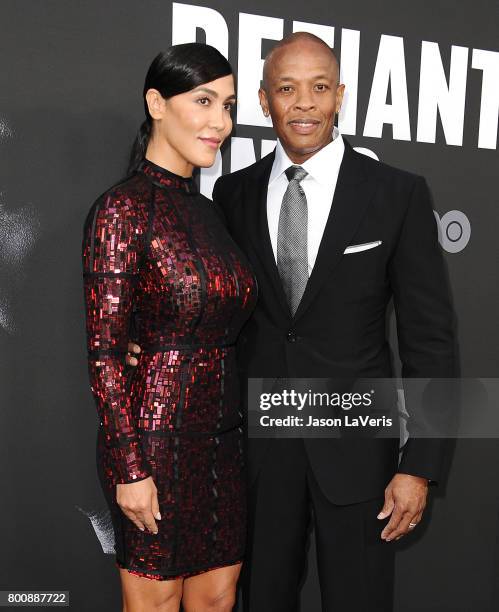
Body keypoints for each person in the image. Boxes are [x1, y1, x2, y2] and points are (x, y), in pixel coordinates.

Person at [127, 32, 459, 611]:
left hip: (358, 450)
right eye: (287, 89)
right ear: (263, 101)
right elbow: (207, 306)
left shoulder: (398, 194)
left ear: (340, 98)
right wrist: (145, 344)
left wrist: (422, 467)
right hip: (253, 454)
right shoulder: (229, 195)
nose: (303, 104)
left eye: (319, 88)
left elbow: (430, 339)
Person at [82, 43, 257, 612]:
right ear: (156, 103)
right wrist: (130, 468)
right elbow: (106, 353)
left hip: (223, 445)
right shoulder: (122, 209)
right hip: (152, 444)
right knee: (154, 604)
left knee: (218, 598)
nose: (220, 123)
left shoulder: (213, 212)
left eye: (227, 106)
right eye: (203, 101)